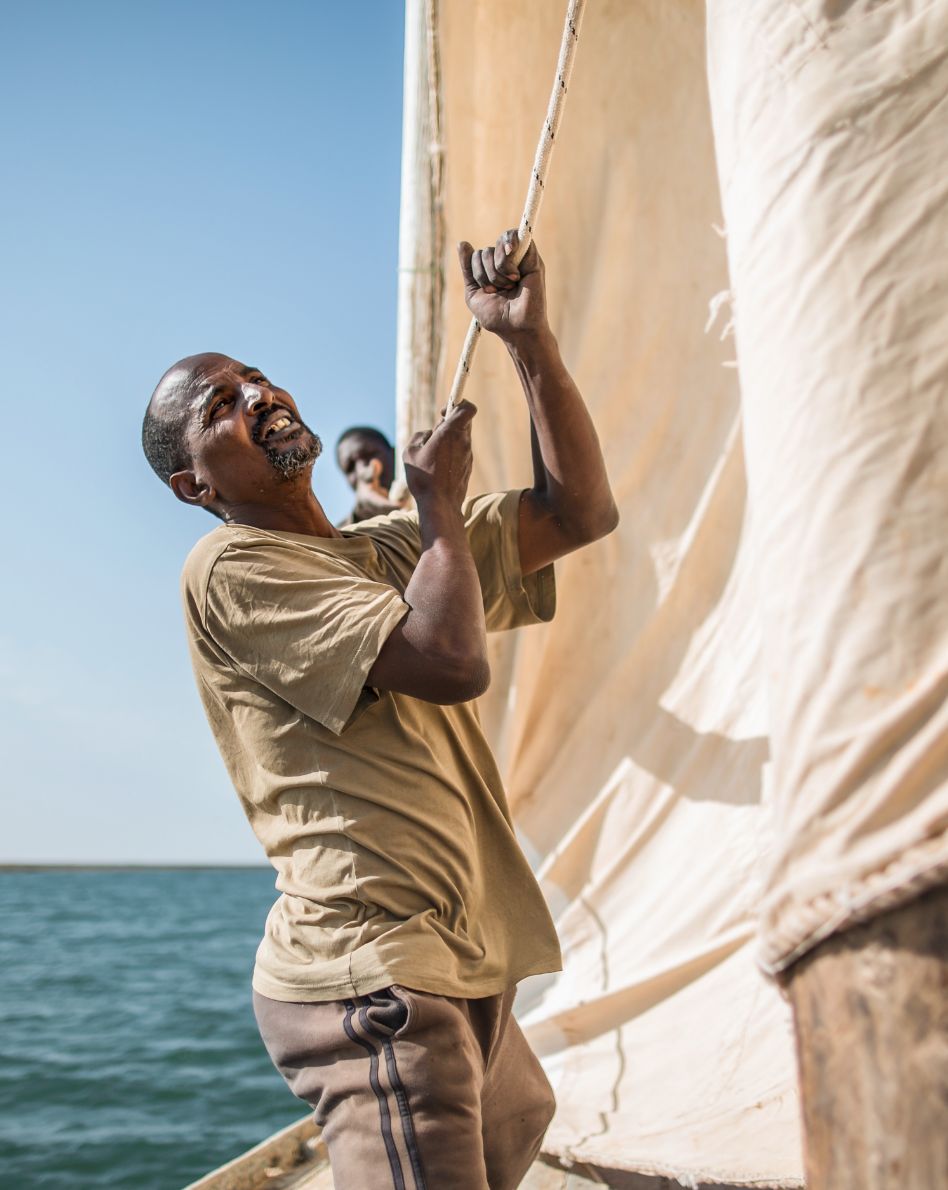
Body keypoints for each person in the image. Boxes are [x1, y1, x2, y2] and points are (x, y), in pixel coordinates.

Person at [141, 229, 618, 1190]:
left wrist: (532, 348)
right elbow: (446, 662)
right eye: (220, 406)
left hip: (459, 958)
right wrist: (439, 510)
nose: (258, 396)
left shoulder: (389, 549)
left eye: (257, 378)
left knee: (520, 1121)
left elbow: (579, 514)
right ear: (196, 485)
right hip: (372, 977)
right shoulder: (231, 566)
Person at [334, 424, 403, 525]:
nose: (361, 470)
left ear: (394, 454)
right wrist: (362, 513)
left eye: (369, 455)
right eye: (350, 467)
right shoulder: (339, 535)